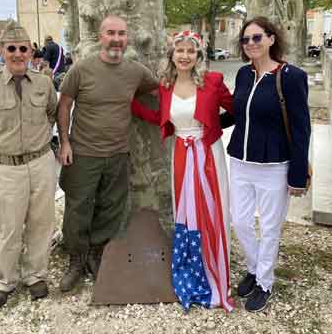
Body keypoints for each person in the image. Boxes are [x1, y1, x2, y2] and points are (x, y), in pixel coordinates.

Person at [131, 30, 235, 312]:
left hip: (207, 154)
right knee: (185, 210)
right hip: (180, 153)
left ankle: (215, 269)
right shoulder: (165, 85)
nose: (185, 56)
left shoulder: (213, 81)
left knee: (211, 210)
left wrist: (213, 127)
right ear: (172, 55)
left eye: (191, 51)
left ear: (199, 56)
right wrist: (132, 107)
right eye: (181, 51)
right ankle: (192, 268)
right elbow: (161, 117)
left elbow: (236, 109)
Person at [57, 15, 158, 292]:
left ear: (127, 39)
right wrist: (64, 143)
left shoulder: (136, 71)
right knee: (78, 208)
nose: (116, 39)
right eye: (111, 33)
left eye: (121, 33)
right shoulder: (81, 69)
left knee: (111, 206)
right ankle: (76, 260)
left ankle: (96, 254)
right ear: (100, 36)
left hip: (118, 153)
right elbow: (64, 106)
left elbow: (161, 87)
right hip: (83, 153)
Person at [226, 16, 310, 312]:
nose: (251, 44)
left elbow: (301, 128)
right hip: (240, 161)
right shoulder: (243, 75)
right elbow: (239, 114)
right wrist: (201, 122)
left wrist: (297, 176)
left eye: (257, 37)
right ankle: (253, 266)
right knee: (240, 221)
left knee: (271, 227)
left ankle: (264, 281)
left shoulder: (291, 76)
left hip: (275, 166)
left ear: (272, 39)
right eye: (246, 39)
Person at [0, 21, 58, 309]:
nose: (18, 54)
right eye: (12, 48)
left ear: (30, 51)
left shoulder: (45, 83)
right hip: (8, 167)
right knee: (9, 226)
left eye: (23, 48)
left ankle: (36, 275)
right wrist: (5, 149)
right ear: (1, 51)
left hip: (41, 162)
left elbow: (51, 115)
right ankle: (5, 281)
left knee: (41, 223)